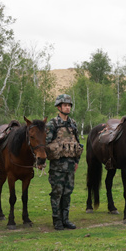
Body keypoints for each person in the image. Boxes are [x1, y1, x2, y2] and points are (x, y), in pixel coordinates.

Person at [45, 94, 84, 230]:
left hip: (70, 164)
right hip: (57, 165)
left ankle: (65, 219)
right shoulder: (52, 124)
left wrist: (76, 161)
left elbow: (77, 143)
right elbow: (46, 144)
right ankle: (57, 220)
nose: (67, 107)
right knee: (57, 193)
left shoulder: (73, 124)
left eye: (69, 105)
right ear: (59, 107)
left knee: (67, 192)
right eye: (65, 105)